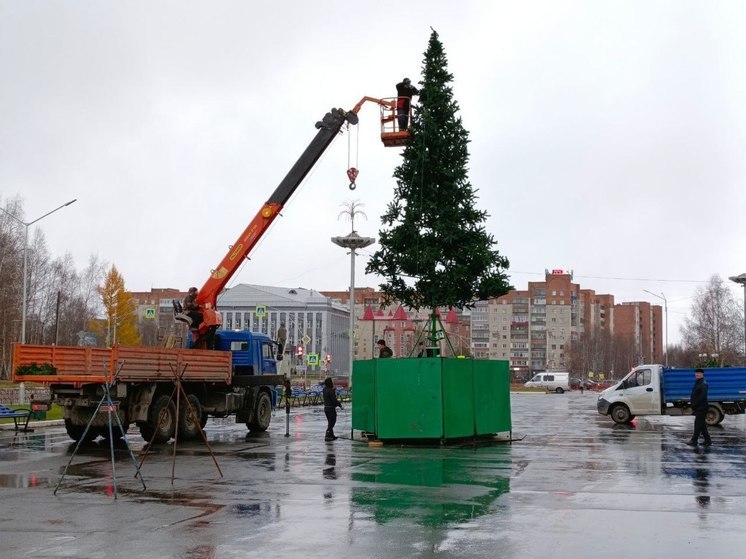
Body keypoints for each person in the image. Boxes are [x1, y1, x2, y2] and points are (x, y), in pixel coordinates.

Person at [687, 368, 712, 447]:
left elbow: (703, 396)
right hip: (699, 407)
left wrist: (695, 403)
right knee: (702, 425)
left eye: (698, 373)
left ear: (702, 374)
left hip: (701, 407)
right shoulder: (698, 382)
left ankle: (694, 440)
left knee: (697, 424)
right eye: (696, 373)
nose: (696, 374)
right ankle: (708, 440)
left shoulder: (703, 383)